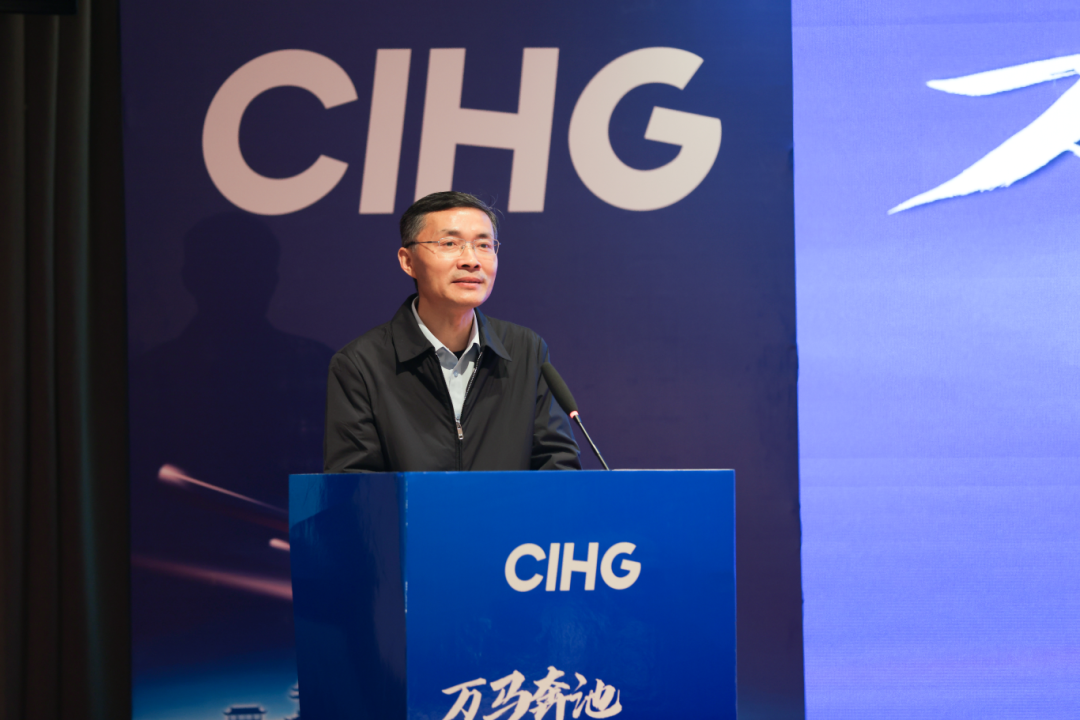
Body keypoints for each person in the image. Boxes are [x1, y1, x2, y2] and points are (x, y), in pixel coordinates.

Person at [323, 191, 581, 472]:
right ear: (408, 261)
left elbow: (558, 466)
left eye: (484, 245)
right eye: (449, 243)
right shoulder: (361, 364)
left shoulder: (526, 350)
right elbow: (355, 482)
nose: (471, 260)